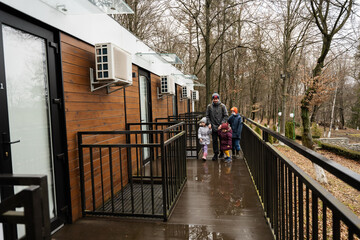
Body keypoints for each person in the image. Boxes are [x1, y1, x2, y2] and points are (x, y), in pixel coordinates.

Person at [206, 93, 229, 161]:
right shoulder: (209, 106)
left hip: (221, 127)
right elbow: (207, 116)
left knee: (222, 140)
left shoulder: (222, 106)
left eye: (216, 99)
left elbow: (226, 115)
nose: (215, 100)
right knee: (215, 141)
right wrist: (209, 123)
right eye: (214, 99)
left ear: (218, 99)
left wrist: (221, 124)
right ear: (212, 99)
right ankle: (215, 154)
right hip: (213, 126)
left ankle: (222, 152)